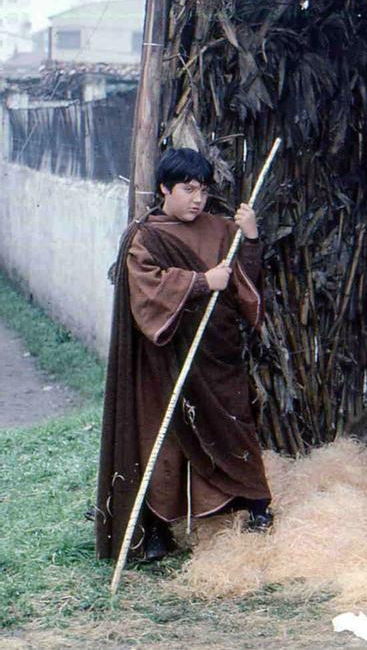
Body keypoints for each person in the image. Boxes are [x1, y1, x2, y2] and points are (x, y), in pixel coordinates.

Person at [95, 148, 273, 562]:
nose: (197, 199)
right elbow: (147, 287)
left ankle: (256, 507)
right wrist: (199, 281)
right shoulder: (145, 235)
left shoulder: (219, 229)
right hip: (165, 358)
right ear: (164, 189)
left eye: (203, 190)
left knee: (233, 425)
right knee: (167, 438)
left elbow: (243, 281)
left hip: (217, 354)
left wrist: (249, 237)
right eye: (188, 189)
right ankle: (157, 529)